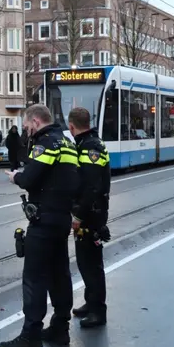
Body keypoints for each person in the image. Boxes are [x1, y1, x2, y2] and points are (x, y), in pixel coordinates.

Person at [0, 104, 80, 347]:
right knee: (60, 274)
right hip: (61, 218)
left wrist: (16, 177)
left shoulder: (46, 144)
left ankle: (30, 334)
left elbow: (30, 178)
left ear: (35, 121)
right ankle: (60, 328)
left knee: (34, 278)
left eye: (26, 127)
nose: (26, 131)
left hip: (44, 220)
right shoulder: (67, 143)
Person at [68, 107, 111, 328]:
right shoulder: (89, 142)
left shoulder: (90, 146)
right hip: (91, 211)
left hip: (91, 214)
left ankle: (98, 311)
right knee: (85, 262)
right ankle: (90, 302)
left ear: (71, 126)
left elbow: (91, 186)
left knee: (92, 264)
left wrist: (78, 215)